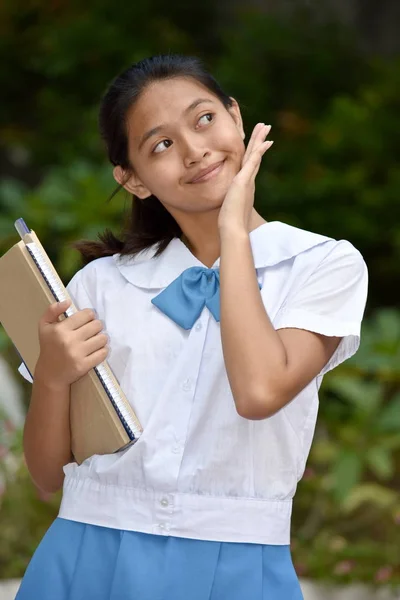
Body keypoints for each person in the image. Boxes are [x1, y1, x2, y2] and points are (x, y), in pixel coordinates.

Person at [16, 54, 368, 600]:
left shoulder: (324, 265)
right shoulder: (98, 286)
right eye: (160, 144)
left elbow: (258, 392)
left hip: (240, 566)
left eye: (204, 119)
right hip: (86, 556)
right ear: (131, 180)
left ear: (235, 115)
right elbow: (47, 477)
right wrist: (55, 377)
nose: (195, 148)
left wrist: (235, 232)